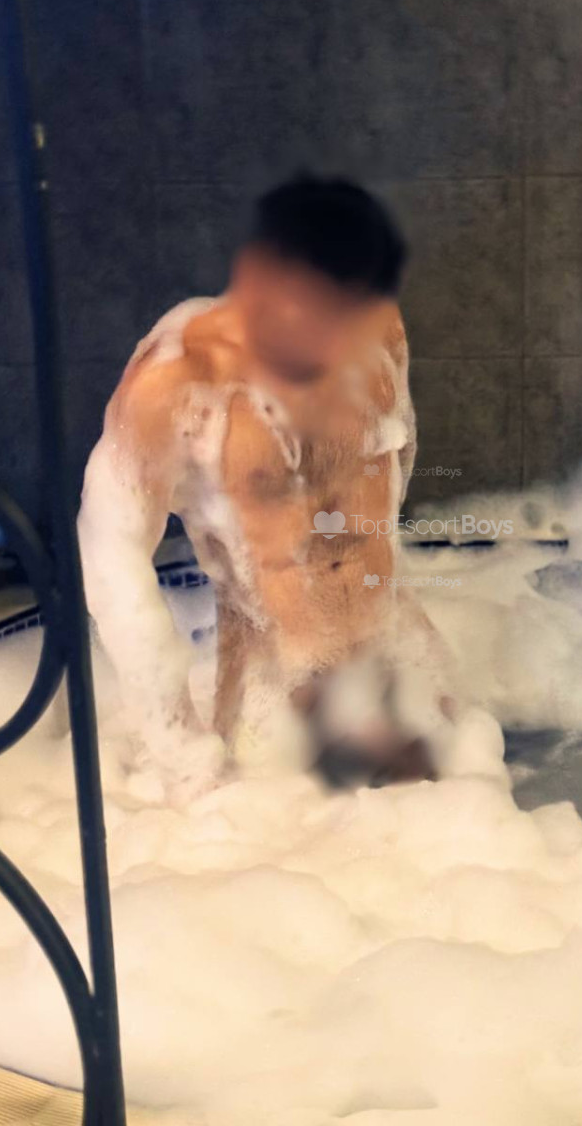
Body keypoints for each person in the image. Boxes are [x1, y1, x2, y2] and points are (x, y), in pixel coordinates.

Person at [78, 175, 452, 797]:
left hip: (397, 652)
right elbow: (110, 558)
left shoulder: (380, 328)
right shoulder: (175, 383)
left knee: (458, 804)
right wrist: (182, 753)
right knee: (295, 842)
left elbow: (400, 452)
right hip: (275, 687)